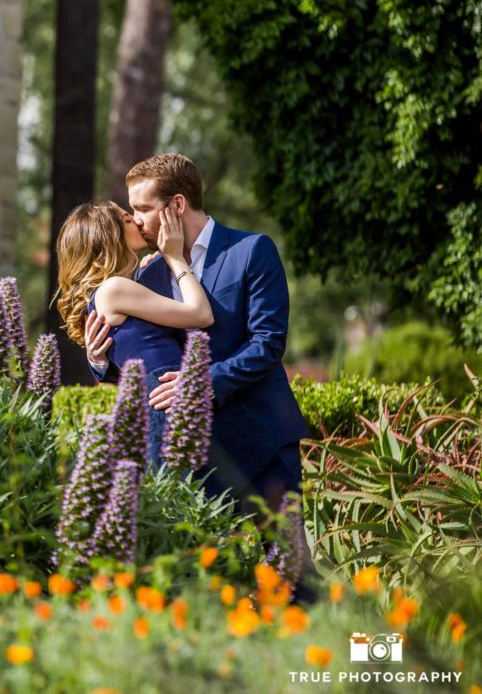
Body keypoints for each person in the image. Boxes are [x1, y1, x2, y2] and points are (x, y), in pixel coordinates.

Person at [85, 153, 316, 601]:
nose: (134, 220)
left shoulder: (252, 250)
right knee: (209, 584)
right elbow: (149, 362)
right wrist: (101, 365)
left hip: (263, 441)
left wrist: (200, 383)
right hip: (197, 455)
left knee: (294, 576)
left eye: (143, 209)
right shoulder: (148, 274)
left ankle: (369, 660)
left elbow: (267, 344)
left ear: (175, 205)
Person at [54, 198, 214, 467]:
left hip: (163, 404)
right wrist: (175, 258)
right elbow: (201, 314)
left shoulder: (118, 287)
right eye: (128, 220)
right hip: (168, 409)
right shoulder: (114, 289)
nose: (138, 221)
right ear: (109, 236)